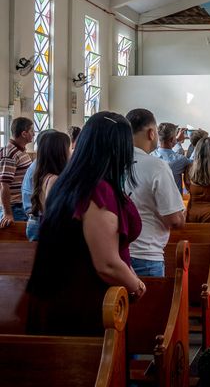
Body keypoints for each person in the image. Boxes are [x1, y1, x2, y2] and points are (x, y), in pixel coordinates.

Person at [26, 112, 145, 336]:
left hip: (60, 297)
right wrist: (136, 285)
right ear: (117, 148)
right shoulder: (97, 190)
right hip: (86, 302)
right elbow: (106, 263)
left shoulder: (68, 183)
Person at [126, 109, 185, 277]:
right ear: (151, 133)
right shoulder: (156, 166)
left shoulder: (112, 162)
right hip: (146, 255)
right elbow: (174, 220)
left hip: (117, 253)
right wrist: (181, 215)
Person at [26, 131, 70, 241]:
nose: (71, 153)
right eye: (68, 149)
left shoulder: (43, 174)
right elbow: (54, 214)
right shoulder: (53, 179)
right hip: (48, 231)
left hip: (37, 223)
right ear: (60, 153)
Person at [0, 117, 34, 228]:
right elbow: (4, 185)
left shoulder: (20, 151)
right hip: (15, 208)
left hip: (22, 205)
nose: (33, 134)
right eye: (31, 131)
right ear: (24, 134)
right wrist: (8, 213)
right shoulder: (10, 154)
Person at [152, 122, 192, 193]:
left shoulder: (151, 155)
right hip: (174, 202)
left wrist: (176, 140)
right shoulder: (180, 159)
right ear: (171, 139)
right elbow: (196, 161)